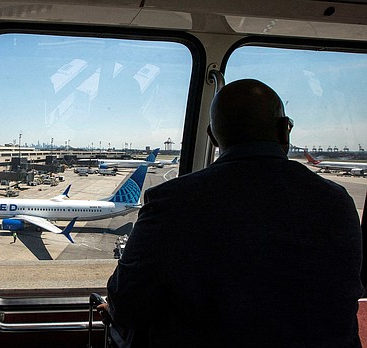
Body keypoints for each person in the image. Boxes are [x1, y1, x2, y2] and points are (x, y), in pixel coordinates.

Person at [102, 79, 363, 347]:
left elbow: (126, 305)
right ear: (285, 131)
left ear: (212, 137)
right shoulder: (338, 201)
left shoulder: (171, 203)